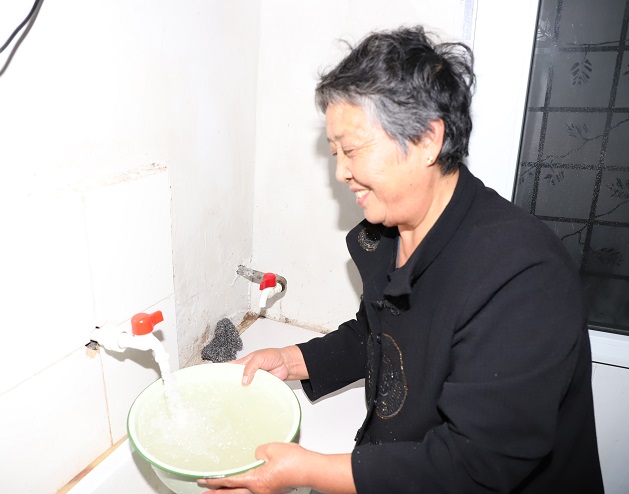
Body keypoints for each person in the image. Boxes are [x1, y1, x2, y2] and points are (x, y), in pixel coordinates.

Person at [200, 26, 604, 494]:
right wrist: (292, 361)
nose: (340, 171)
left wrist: (307, 471)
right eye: (335, 153)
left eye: (352, 150)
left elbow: (475, 466)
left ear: (427, 140)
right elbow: (380, 336)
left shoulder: (523, 276)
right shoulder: (393, 233)